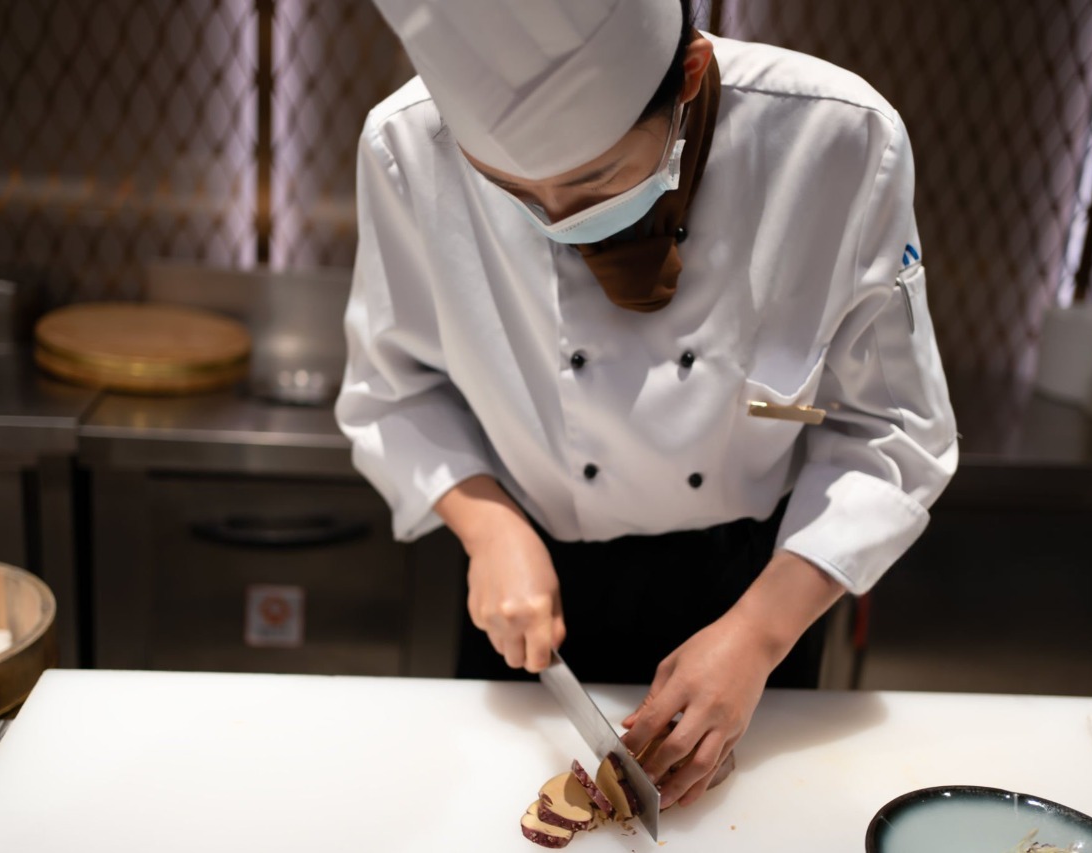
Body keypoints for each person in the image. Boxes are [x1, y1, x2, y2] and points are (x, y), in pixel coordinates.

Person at [339, 0, 958, 809]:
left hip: (761, 579)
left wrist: (759, 634)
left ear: (689, 75)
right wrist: (488, 527)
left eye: (594, 180)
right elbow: (393, 390)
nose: (558, 221)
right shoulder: (405, 145)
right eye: (511, 190)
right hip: (533, 587)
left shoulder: (838, 138)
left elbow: (893, 430)